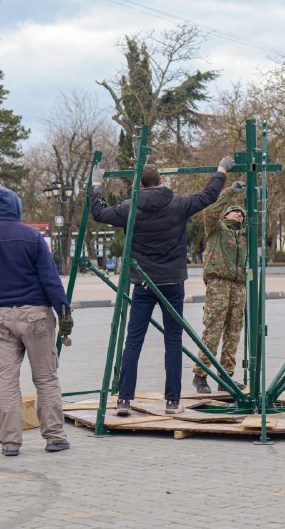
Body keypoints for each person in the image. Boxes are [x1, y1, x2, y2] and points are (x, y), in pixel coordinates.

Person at [90, 157, 232, 415]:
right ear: (161, 181)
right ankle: (172, 402)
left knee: (133, 341)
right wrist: (220, 169)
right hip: (172, 282)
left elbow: (98, 212)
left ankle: (124, 399)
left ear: (140, 185)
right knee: (173, 342)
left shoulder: (130, 207)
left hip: (143, 282)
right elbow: (208, 196)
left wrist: (96, 183)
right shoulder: (178, 204)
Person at [0, 187, 73, 457]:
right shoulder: (32, 236)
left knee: (6, 381)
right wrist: (64, 312)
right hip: (36, 316)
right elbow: (50, 279)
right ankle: (55, 437)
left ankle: (10, 442)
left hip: (0, 318)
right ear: (16, 209)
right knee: (46, 378)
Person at [192, 183, 248, 394]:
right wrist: (231, 192)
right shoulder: (216, 229)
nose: (239, 215)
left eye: (241, 214)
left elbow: (262, 223)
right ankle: (200, 375)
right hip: (219, 284)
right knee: (213, 330)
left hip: (238, 286)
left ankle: (227, 378)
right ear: (225, 215)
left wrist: (258, 200)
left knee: (233, 333)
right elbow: (211, 210)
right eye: (235, 212)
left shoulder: (243, 236)